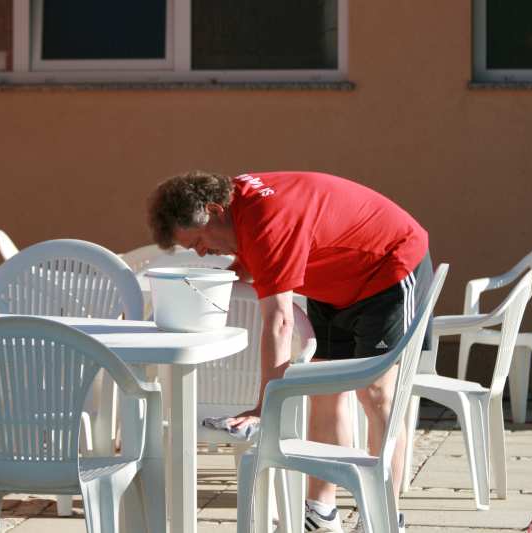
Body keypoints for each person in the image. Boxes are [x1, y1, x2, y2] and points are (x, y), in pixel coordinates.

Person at [147, 170, 432, 533]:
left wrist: (264, 408)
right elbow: (256, 262)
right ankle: (321, 510)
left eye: (199, 241)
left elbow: (280, 321)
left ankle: (385, 518)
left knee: (377, 394)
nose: (202, 252)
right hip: (334, 277)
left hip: (388, 265)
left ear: (215, 210)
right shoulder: (237, 211)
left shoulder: (267, 220)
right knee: (323, 390)